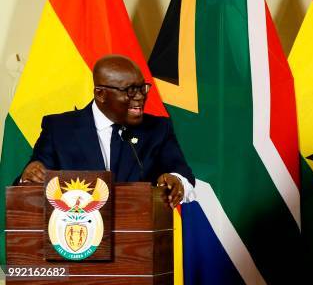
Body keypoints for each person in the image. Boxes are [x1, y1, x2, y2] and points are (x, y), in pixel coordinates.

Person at [18, 55, 195, 207]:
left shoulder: (157, 129)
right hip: (75, 237)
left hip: (138, 240)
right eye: (130, 90)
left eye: (142, 88)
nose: (140, 96)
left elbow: (183, 175)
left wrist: (176, 181)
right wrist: (29, 176)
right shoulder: (59, 129)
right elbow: (30, 184)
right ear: (101, 94)